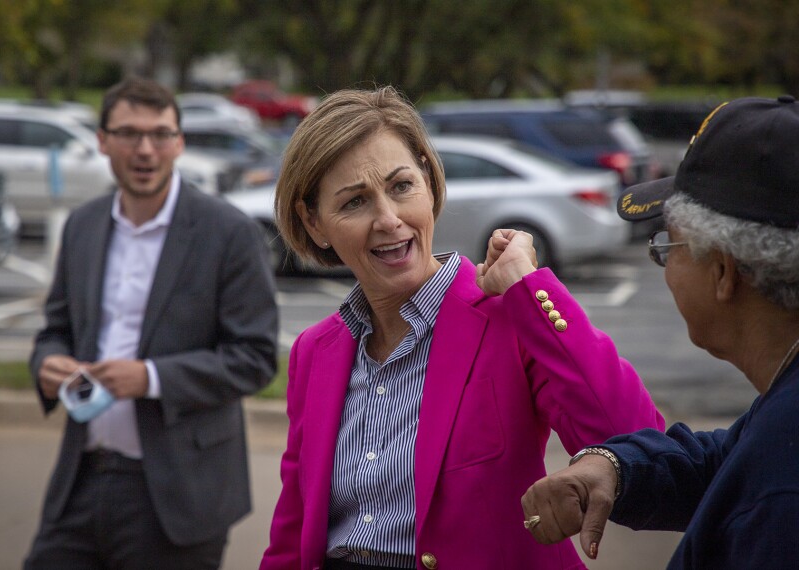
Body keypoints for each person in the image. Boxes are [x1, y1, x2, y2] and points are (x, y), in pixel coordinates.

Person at [259, 85, 664, 570]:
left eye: (401, 186)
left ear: (430, 183)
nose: (388, 219)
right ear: (314, 222)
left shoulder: (513, 316)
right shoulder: (314, 350)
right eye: (354, 203)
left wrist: (532, 291)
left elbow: (637, 442)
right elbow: (291, 531)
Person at [520, 95, 799, 568]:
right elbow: (726, 461)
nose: (664, 267)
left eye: (668, 246)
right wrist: (616, 467)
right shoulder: (783, 407)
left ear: (724, 273)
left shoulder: (782, 507)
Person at [23, 77, 278, 570]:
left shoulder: (230, 234)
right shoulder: (83, 225)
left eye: (160, 134)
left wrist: (151, 378)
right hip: (82, 478)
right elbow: (55, 328)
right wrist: (46, 363)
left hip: (176, 493)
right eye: (128, 134)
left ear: (179, 142)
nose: (145, 150)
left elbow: (255, 358)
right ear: (101, 141)